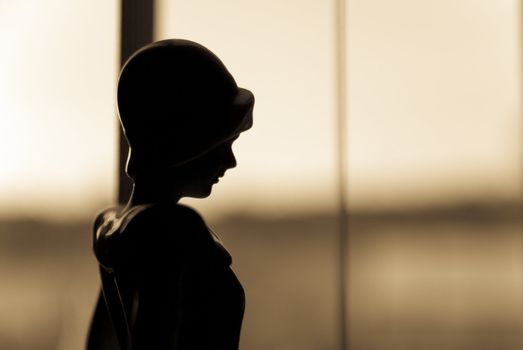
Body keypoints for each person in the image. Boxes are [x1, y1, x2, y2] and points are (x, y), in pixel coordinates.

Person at [87, 39, 254, 350]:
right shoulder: (174, 232)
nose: (230, 161)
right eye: (220, 143)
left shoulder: (112, 228)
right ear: (183, 140)